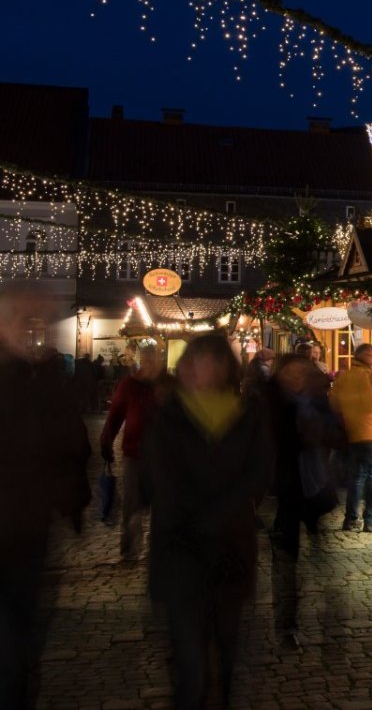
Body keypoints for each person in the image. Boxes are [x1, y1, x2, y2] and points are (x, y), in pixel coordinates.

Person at [139, 333, 272, 709]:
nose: (201, 370)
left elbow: (258, 472)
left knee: (229, 651)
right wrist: (199, 517)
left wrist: (225, 513)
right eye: (195, 361)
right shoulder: (168, 415)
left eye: (211, 361)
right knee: (189, 661)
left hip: (230, 552)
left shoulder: (247, 413)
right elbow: (158, 479)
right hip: (181, 552)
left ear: (224, 368)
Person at [0, 290, 91, 709]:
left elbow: (71, 443)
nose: (31, 327)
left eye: (37, 319)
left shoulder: (49, 378)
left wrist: (74, 498)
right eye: (22, 317)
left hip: (31, 527)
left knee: (26, 629)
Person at [267, 354, 340, 651]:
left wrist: (323, 432)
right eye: (291, 373)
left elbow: (337, 433)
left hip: (314, 489)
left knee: (321, 557)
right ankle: (286, 625)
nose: (296, 378)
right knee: (286, 563)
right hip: (284, 492)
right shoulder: (271, 403)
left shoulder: (317, 400)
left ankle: (329, 612)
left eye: (301, 372)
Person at [99, 344, 169, 562]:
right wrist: (106, 442)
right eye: (147, 359)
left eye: (154, 359)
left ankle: (160, 550)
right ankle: (130, 549)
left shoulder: (168, 385)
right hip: (134, 453)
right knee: (132, 505)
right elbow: (116, 415)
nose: (150, 363)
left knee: (163, 507)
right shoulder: (128, 385)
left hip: (163, 457)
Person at [329, 343, 372, 532]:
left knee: (356, 477)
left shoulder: (345, 376)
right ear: (363, 356)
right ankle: (370, 519)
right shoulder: (369, 376)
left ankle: (350, 518)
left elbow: (333, 402)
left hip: (353, 432)